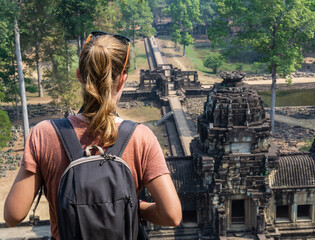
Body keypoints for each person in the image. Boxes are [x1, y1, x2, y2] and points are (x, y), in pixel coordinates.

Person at [4, 31, 182, 239]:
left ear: (79, 74)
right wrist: (135, 206)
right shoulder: (141, 137)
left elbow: (13, 215)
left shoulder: (44, 134)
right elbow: (172, 215)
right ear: (123, 80)